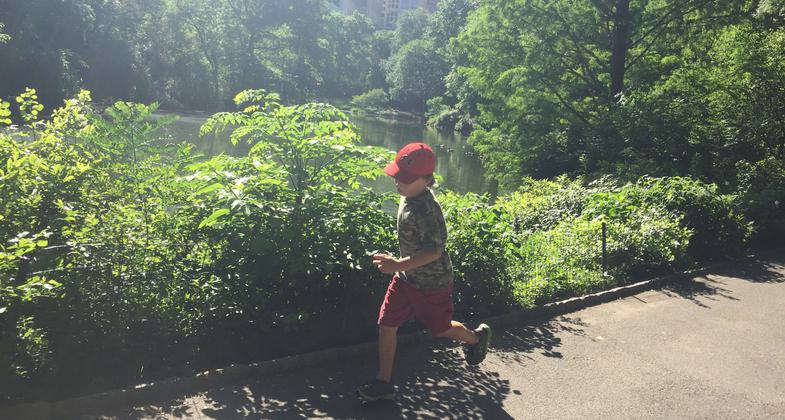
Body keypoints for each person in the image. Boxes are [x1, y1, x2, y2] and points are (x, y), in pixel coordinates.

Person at [357, 142, 492, 402]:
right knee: (387, 325)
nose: (398, 183)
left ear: (427, 180)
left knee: (440, 330)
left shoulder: (427, 210)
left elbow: (434, 252)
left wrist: (396, 264)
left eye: (405, 179)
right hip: (406, 278)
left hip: (433, 283)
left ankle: (476, 338)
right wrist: (400, 267)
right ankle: (383, 382)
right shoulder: (408, 194)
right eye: (397, 175)